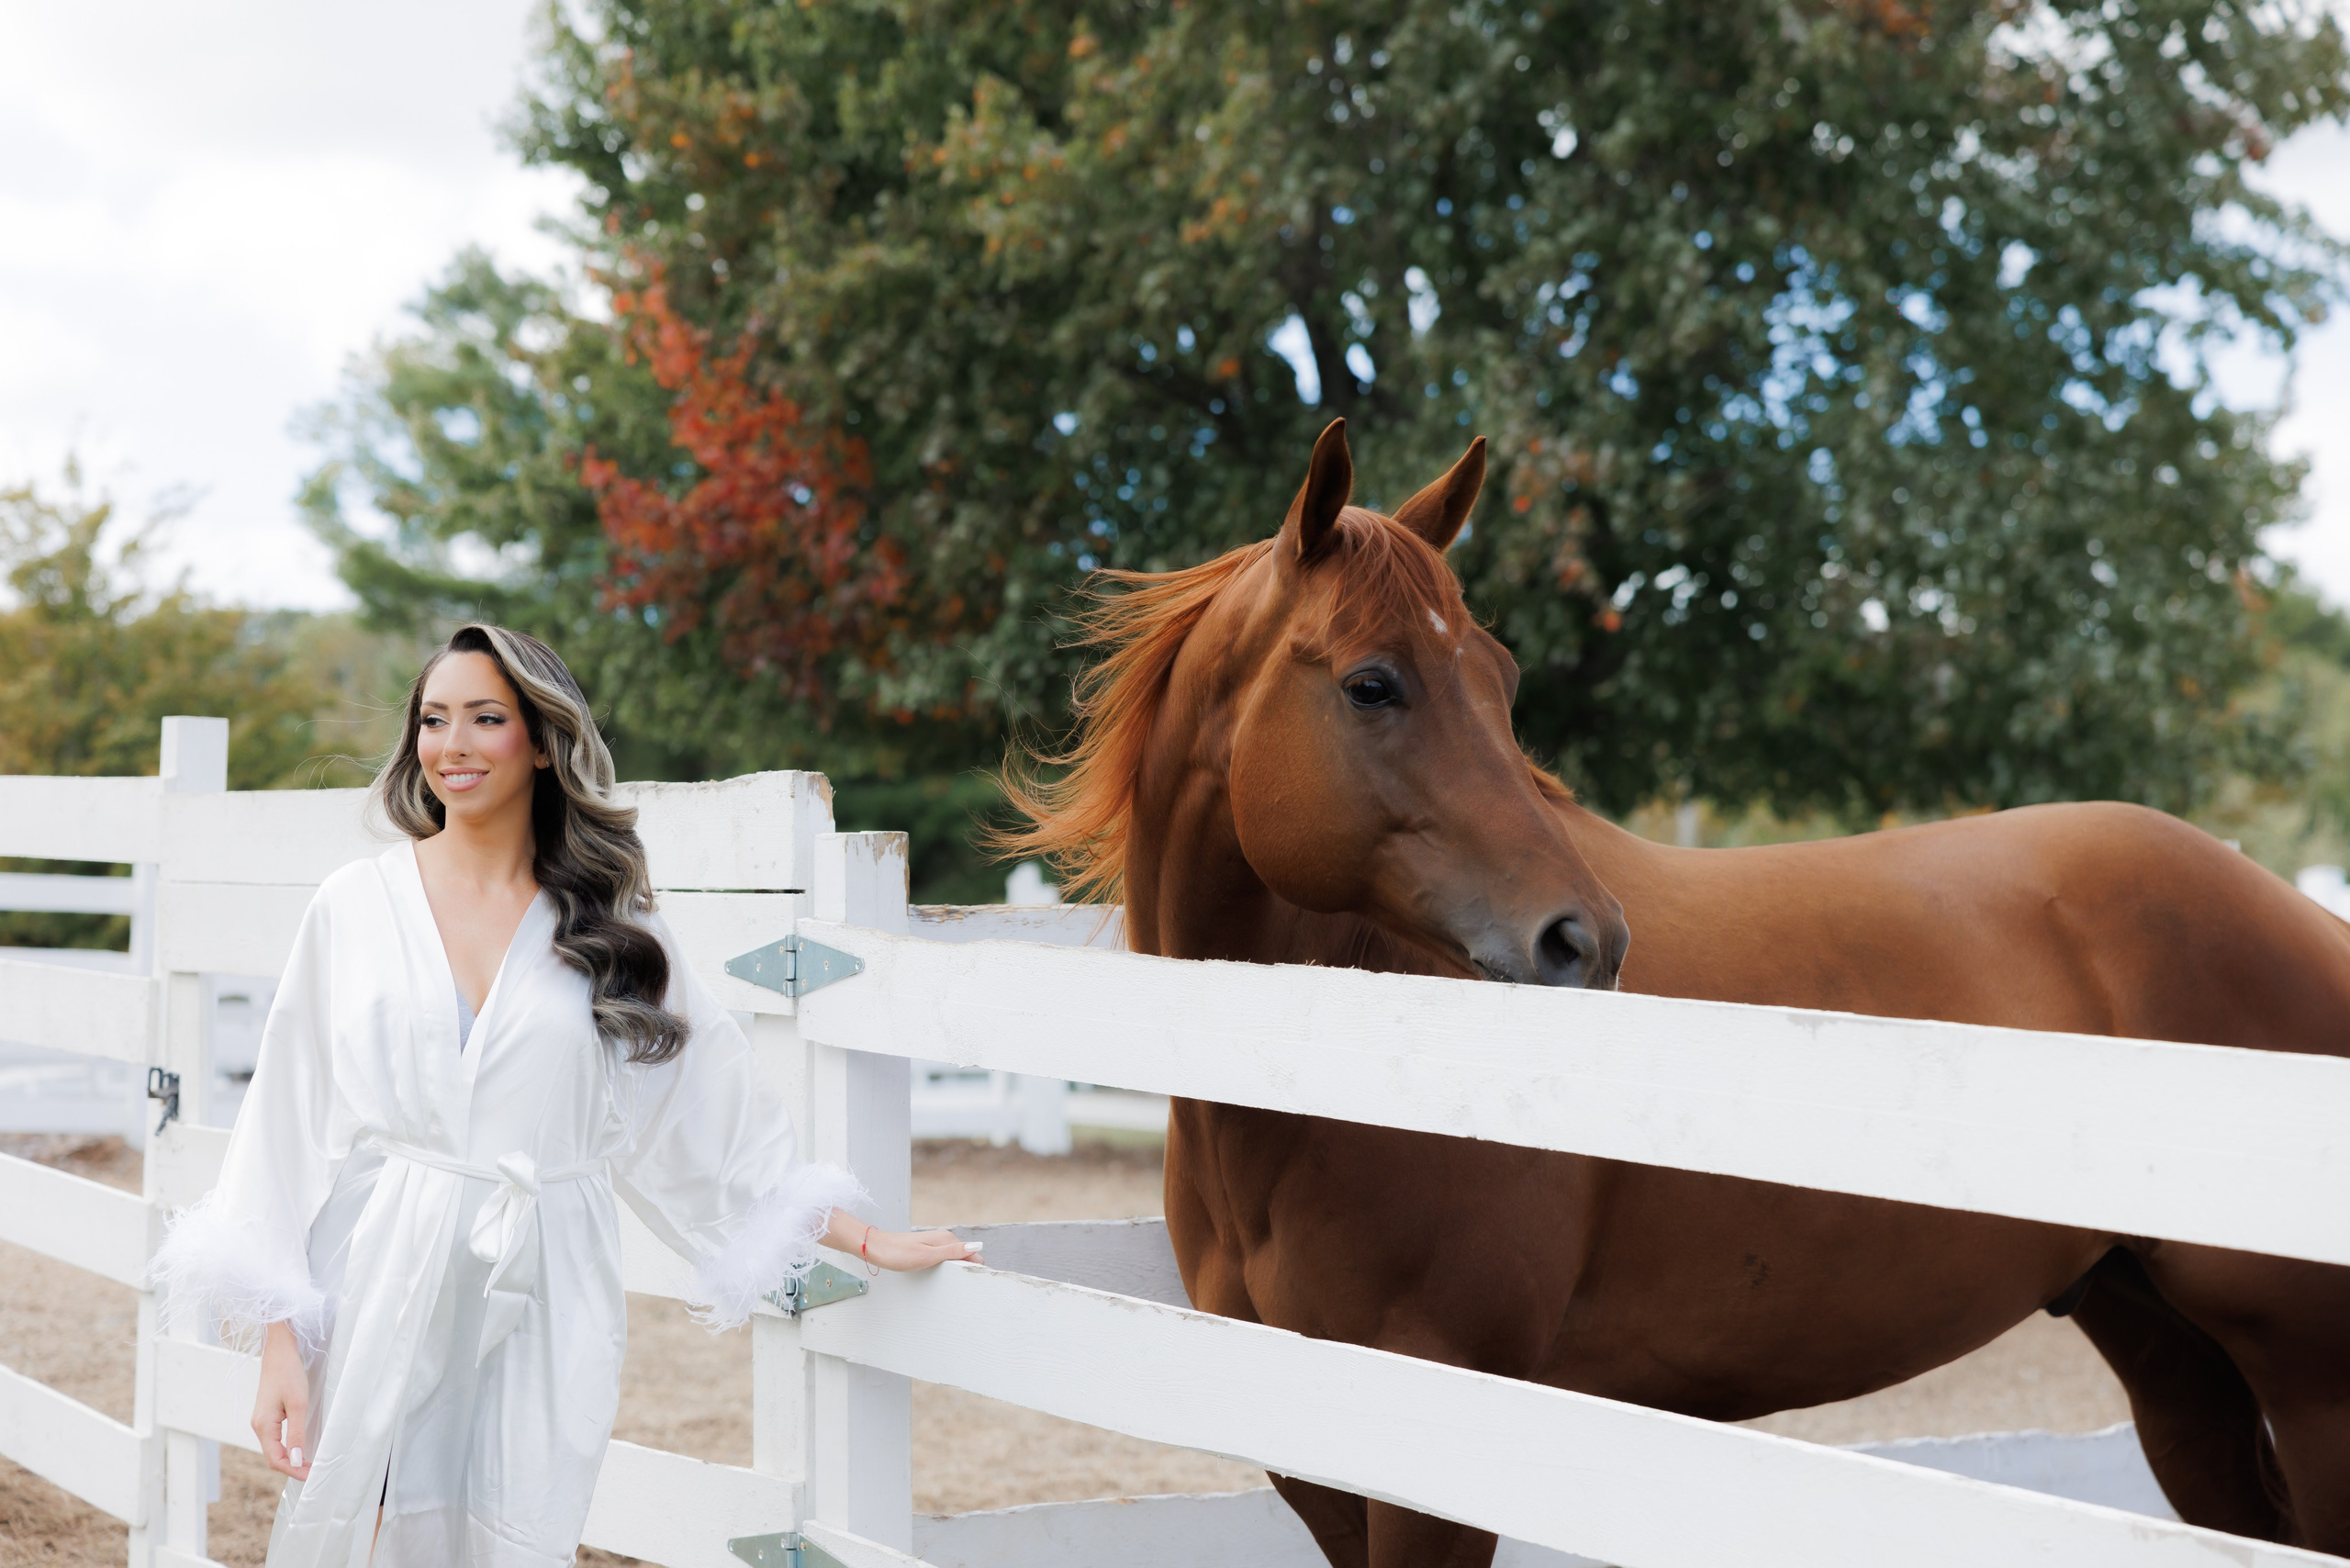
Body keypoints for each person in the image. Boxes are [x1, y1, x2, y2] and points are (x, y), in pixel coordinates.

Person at [150, 623, 977, 1567]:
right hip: (380, 1256)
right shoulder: (355, 903)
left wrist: (863, 1235)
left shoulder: (607, 920)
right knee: (356, 1519)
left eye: (485, 718)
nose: (451, 746)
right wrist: (280, 1343)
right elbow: (284, 1121)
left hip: (546, 1279)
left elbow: (706, 1100)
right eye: (433, 720)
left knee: (518, 1529)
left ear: (540, 740)